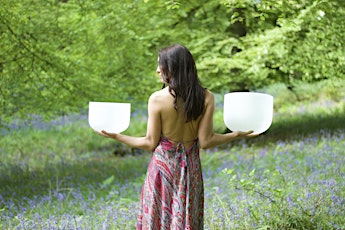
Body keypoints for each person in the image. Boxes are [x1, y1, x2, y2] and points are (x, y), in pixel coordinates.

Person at [97, 44, 256, 229]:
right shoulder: (207, 97)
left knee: (158, 221)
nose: (157, 70)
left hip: (161, 172)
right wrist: (235, 134)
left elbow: (149, 143)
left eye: (161, 65)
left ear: (173, 68)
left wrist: (117, 136)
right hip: (191, 172)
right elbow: (206, 141)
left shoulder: (157, 99)